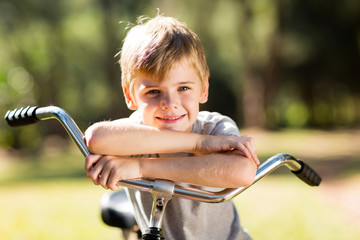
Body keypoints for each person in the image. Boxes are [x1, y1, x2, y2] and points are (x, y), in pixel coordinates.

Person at [84, 15, 260, 240]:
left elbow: (243, 171)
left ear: (203, 90)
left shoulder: (214, 127)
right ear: (130, 95)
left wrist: (140, 167)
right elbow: (96, 138)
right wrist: (199, 144)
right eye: (153, 92)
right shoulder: (136, 134)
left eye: (184, 88)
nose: (170, 103)